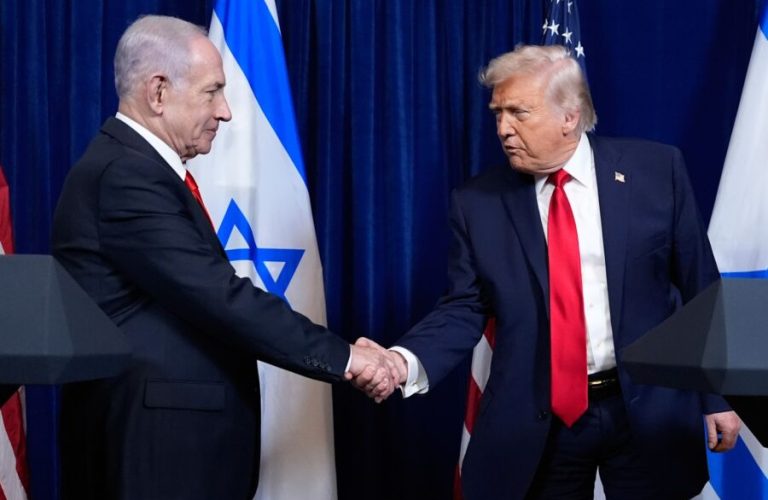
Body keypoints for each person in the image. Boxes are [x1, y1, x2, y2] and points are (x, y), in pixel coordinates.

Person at [359, 45, 741, 499]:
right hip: (540, 421)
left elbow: (702, 288)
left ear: (570, 116)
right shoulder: (476, 203)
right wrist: (403, 361)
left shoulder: (657, 171)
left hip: (646, 409)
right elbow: (463, 307)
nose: (503, 129)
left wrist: (720, 396)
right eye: (498, 113)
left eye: (519, 112)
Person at [52, 15, 392, 500]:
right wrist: (347, 359)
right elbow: (218, 295)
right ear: (158, 93)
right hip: (155, 451)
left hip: (173, 445)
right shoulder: (126, 176)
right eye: (212, 92)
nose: (227, 111)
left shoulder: (137, 169)